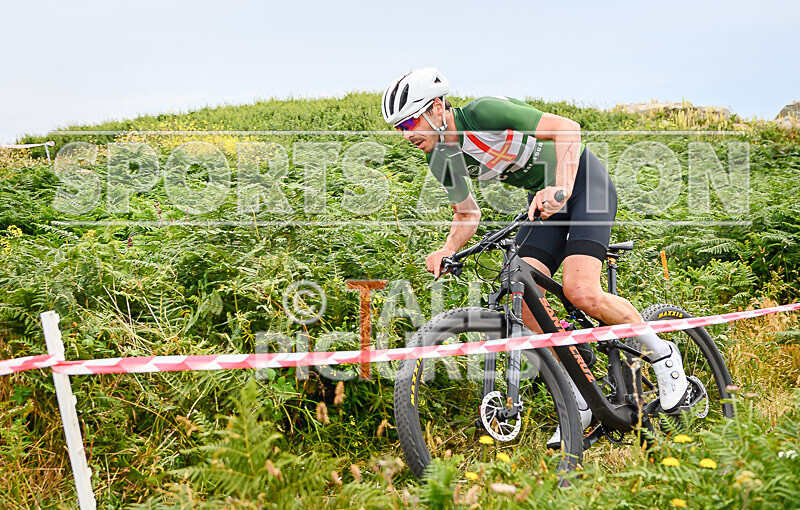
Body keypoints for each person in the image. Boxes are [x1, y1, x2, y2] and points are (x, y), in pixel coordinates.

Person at [381, 67, 689, 446]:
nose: (406, 134)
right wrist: (448, 249)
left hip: (583, 185)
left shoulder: (483, 113)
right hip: (544, 200)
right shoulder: (441, 157)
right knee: (525, 297)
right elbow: (466, 214)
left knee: (582, 291)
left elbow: (567, 129)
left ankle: (663, 355)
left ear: (438, 108)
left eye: (410, 122)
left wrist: (560, 186)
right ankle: (578, 398)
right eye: (399, 128)